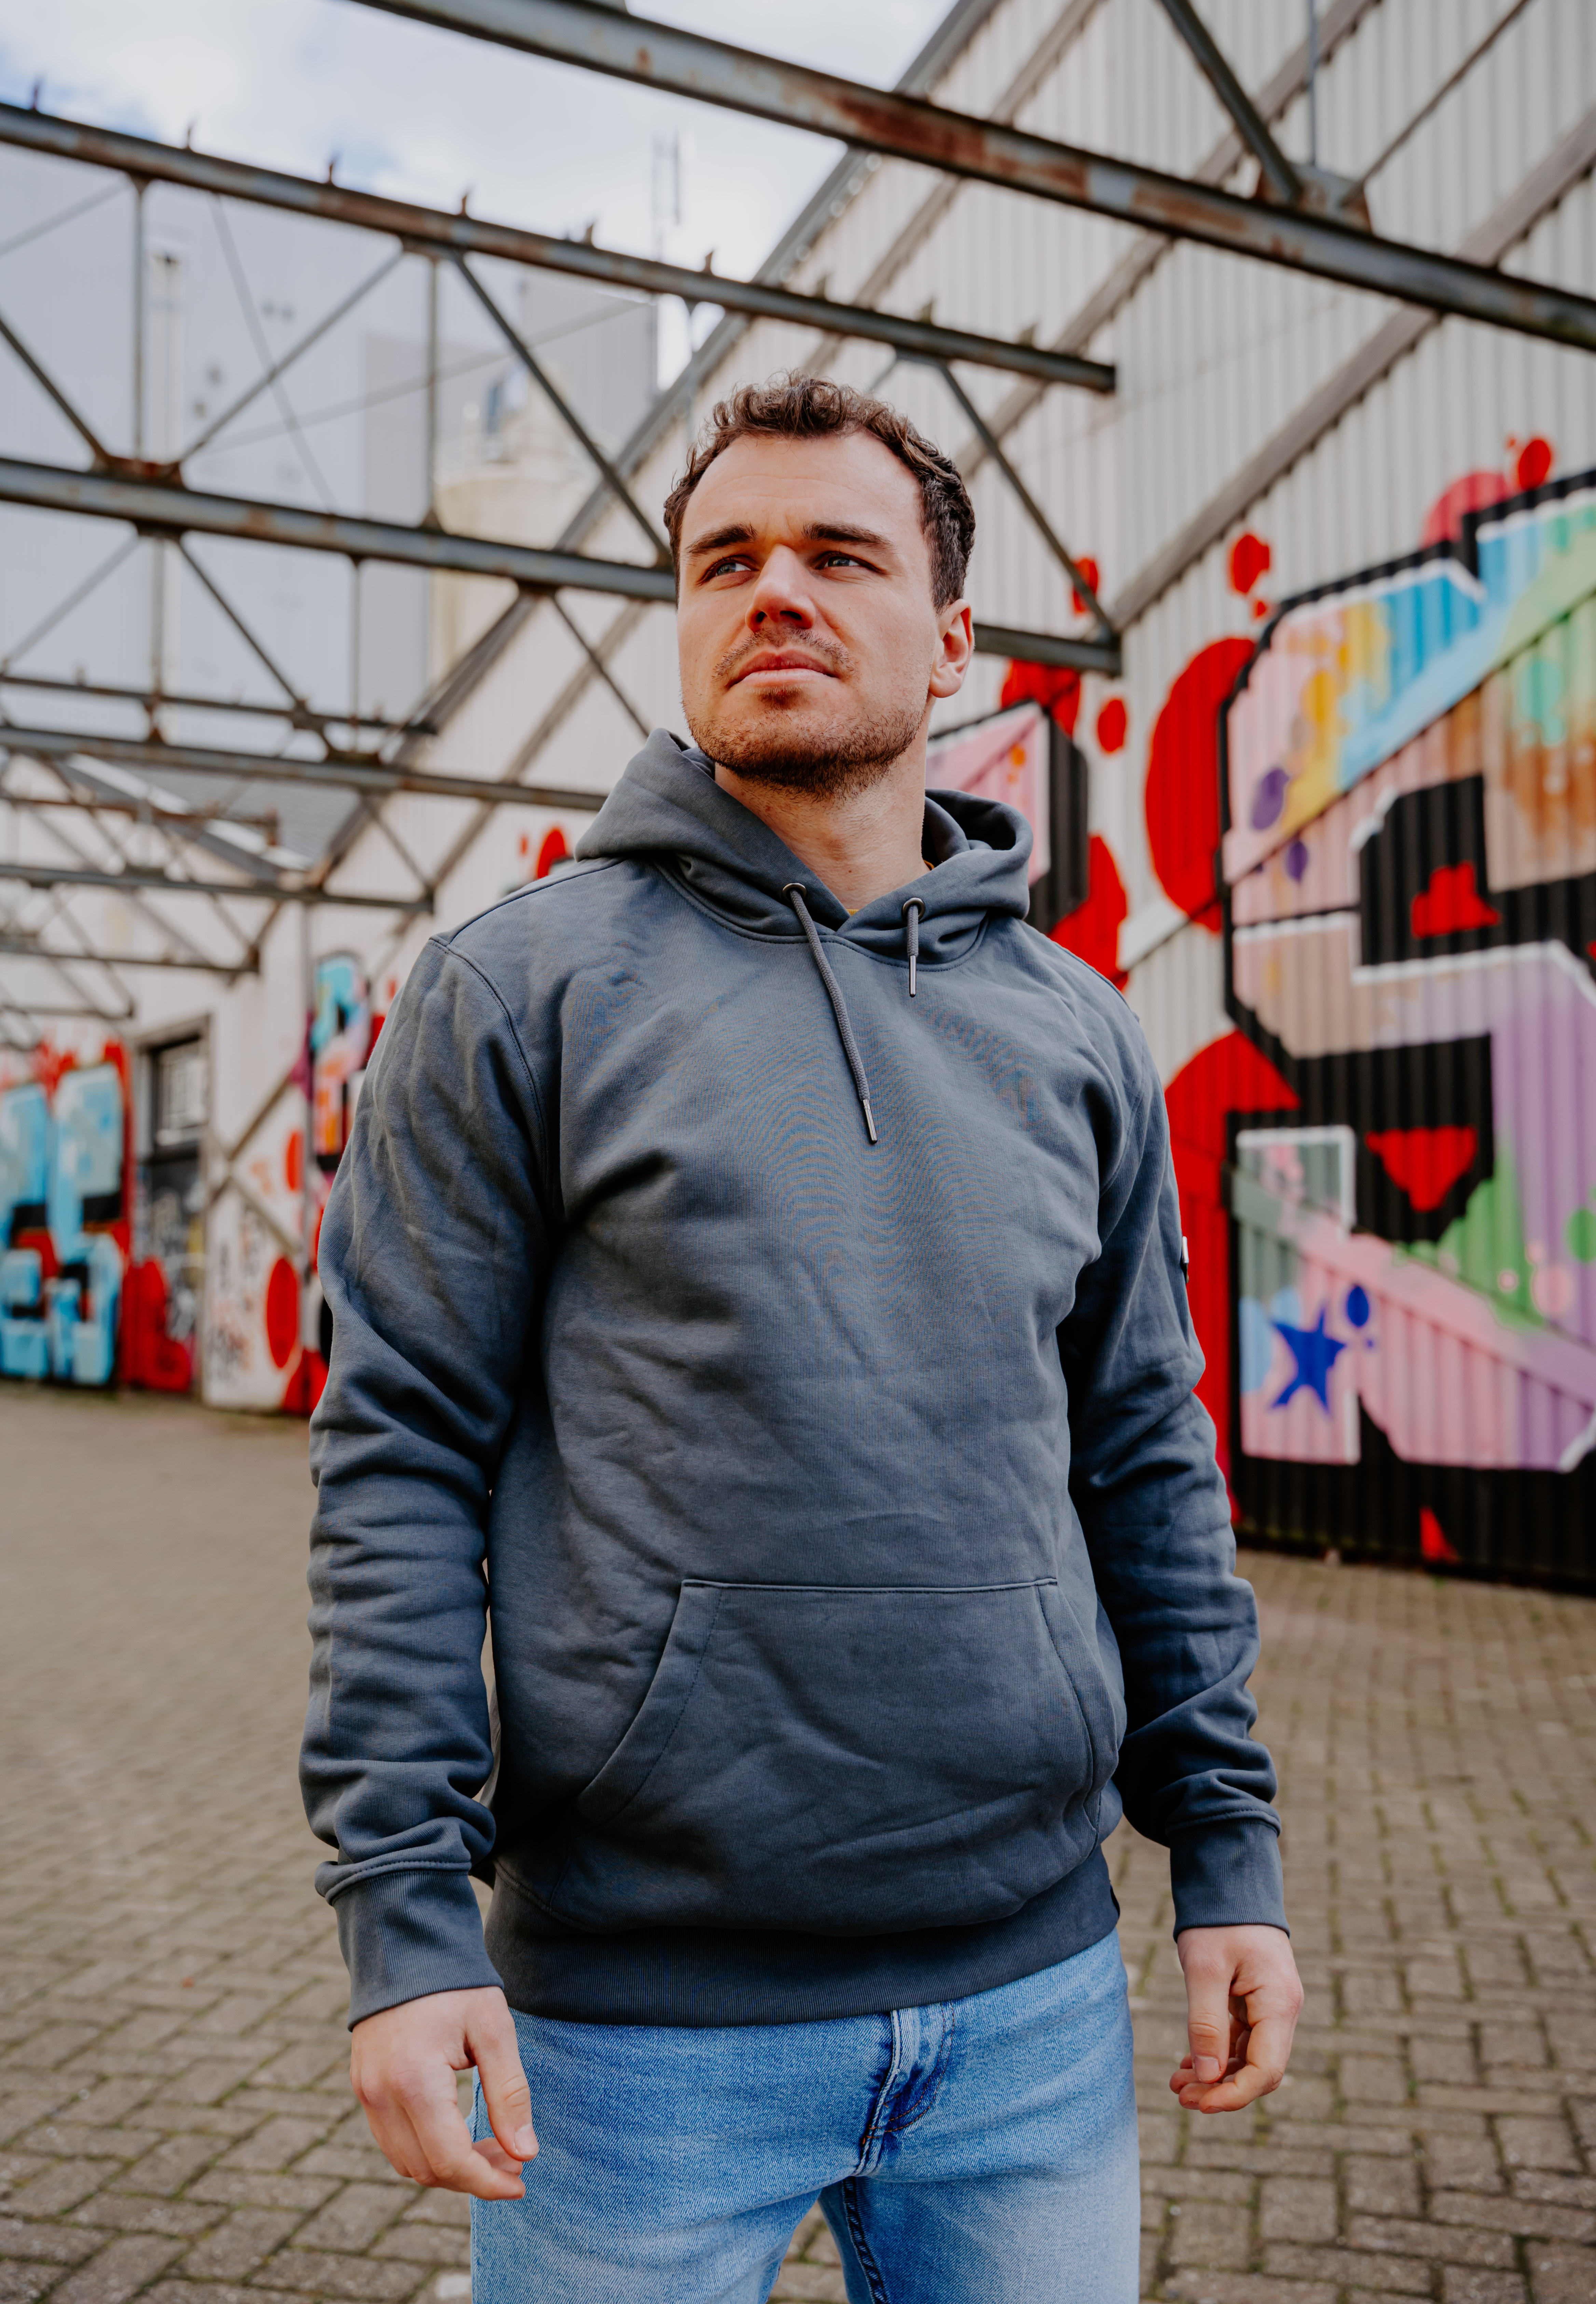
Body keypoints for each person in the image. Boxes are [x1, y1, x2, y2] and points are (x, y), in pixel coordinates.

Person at [302, 374, 1302, 2304]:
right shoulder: (517, 994)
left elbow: (1146, 1456)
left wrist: (1225, 1849)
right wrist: (405, 1918)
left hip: (1032, 2007)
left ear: (953, 638)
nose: (775, 591)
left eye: (840, 554)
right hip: (636, 2041)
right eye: (725, 561)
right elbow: (400, 1460)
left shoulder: (1078, 1029)